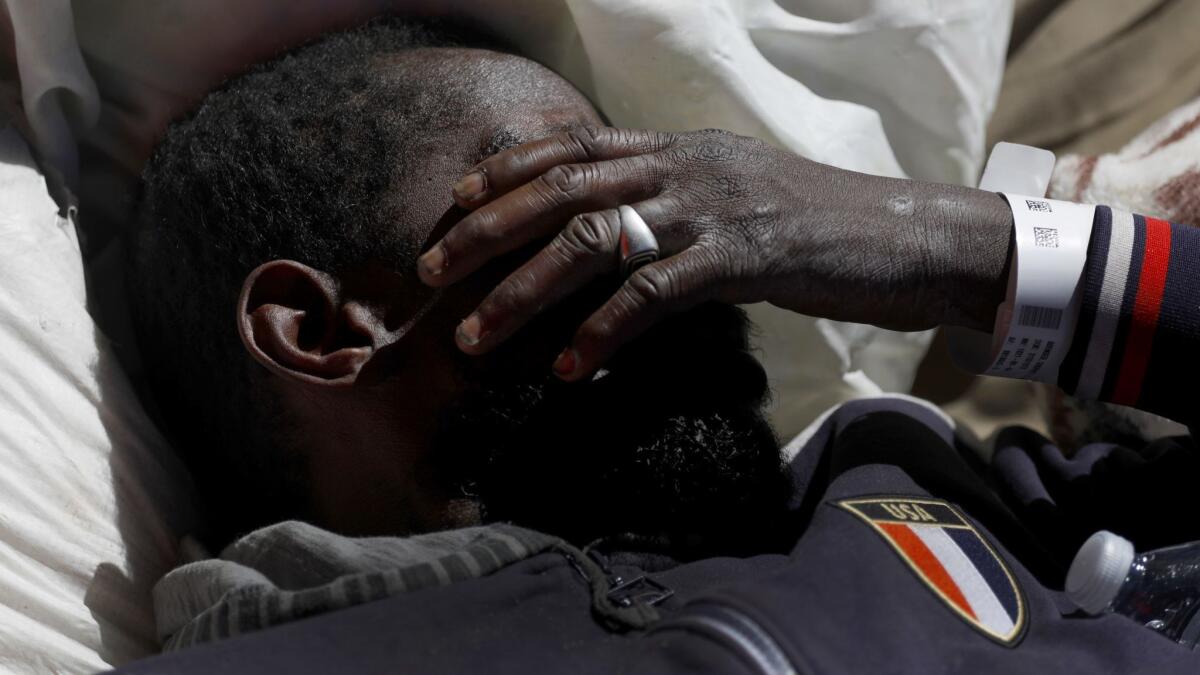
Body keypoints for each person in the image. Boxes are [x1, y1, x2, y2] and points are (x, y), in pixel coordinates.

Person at [124, 18, 1200, 674]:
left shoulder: (909, 488)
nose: (685, 247)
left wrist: (954, 247)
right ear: (321, 332)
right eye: (573, 196)